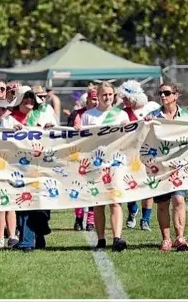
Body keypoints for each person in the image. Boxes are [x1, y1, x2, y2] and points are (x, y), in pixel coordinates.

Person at [1, 88, 57, 251]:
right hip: (17, 167)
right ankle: (26, 241)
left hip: (41, 166)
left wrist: (49, 128)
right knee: (24, 203)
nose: (29, 101)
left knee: (41, 205)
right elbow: (0, 139)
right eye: (25, 98)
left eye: (32, 98)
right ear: (19, 101)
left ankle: (40, 232)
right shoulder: (9, 120)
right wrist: (10, 133)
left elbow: (56, 136)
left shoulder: (44, 115)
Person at [78, 82, 128, 252]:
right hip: (95, 162)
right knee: (98, 202)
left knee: (115, 201)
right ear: (97, 96)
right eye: (104, 94)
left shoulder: (121, 115)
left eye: (110, 94)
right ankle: (100, 239)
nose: (107, 98)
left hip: (115, 162)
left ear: (114, 96)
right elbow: (82, 140)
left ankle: (117, 238)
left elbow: (130, 135)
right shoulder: (88, 115)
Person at [145, 83, 188, 252]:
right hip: (160, 166)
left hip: (181, 165)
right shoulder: (153, 115)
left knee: (179, 200)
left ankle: (180, 237)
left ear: (176, 95)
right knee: (162, 203)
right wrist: (145, 124)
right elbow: (141, 133)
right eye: (160, 93)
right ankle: (166, 239)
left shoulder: (187, 116)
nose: (163, 96)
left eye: (167, 93)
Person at [117, 80, 160, 231]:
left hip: (150, 152)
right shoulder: (124, 112)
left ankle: (145, 219)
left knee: (148, 186)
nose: (124, 101)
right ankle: (132, 211)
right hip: (131, 154)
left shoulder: (153, 107)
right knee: (132, 184)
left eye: (126, 98)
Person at [67, 85, 99, 231]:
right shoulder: (77, 114)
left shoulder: (102, 114)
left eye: (98, 99)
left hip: (96, 156)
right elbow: (67, 135)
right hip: (79, 157)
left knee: (93, 188)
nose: (96, 102)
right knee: (78, 187)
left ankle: (91, 220)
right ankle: (79, 218)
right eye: (93, 99)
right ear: (87, 100)